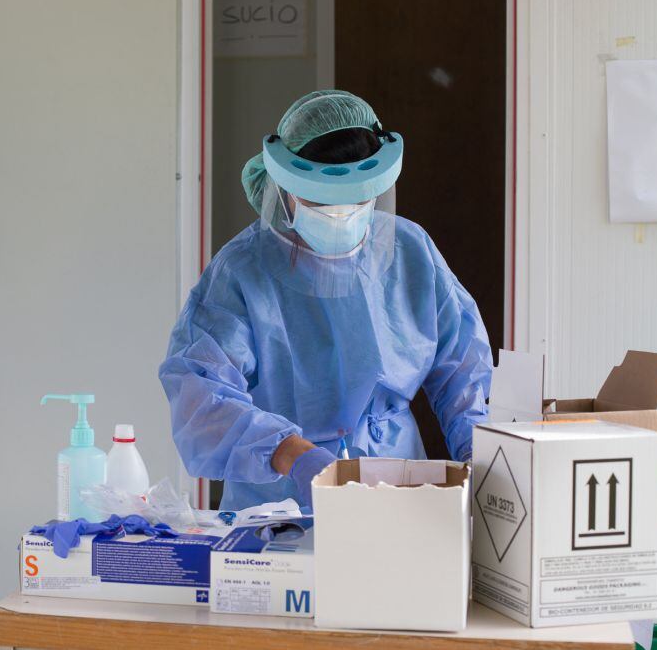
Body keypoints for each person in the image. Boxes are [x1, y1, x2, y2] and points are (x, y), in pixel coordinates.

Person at [159, 90, 491, 511]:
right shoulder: (243, 271)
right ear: (285, 190)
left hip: (396, 485)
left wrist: (477, 452)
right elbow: (199, 393)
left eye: (357, 200)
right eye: (321, 201)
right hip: (279, 497)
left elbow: (463, 369)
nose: (341, 212)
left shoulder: (409, 251)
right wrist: (292, 454)